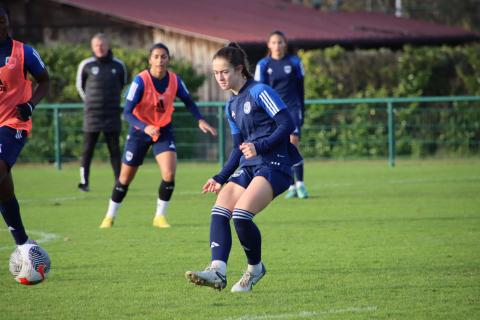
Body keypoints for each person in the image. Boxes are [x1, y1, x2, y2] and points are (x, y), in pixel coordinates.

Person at [185, 42, 302, 292]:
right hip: (250, 166)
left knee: (241, 214)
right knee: (220, 209)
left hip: (275, 165)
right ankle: (217, 270)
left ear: (240, 69)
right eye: (216, 73)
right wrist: (220, 176)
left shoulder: (260, 92)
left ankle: (254, 269)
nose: (220, 77)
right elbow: (238, 149)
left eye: (224, 71)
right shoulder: (231, 106)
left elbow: (287, 123)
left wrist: (261, 146)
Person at [99, 43, 217, 229]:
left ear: (168, 59)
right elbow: (128, 112)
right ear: (150, 60)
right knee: (124, 179)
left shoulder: (175, 80)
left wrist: (200, 119)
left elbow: (189, 101)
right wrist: (145, 127)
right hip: (139, 133)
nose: (160, 60)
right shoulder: (140, 81)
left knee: (169, 173)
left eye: (164, 56)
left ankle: (159, 216)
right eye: (156, 56)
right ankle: (109, 216)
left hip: (163, 131)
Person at [0, 8, 50, 254]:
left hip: (12, 124)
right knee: (4, 188)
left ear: (8, 22)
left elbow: (45, 80)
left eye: (2, 20)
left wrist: (30, 105)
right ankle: (23, 243)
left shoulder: (24, 52)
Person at [254, 30, 309, 199]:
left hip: (292, 108)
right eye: (274, 42)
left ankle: (300, 183)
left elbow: (301, 88)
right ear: (268, 45)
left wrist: (302, 109)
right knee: (281, 147)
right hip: (273, 111)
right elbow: (259, 91)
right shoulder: (263, 65)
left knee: (293, 142)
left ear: (285, 44)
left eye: (280, 42)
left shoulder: (294, 62)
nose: (277, 45)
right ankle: (291, 185)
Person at [76, 33, 127, 192]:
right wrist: (91, 103)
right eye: (97, 45)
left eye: (102, 44)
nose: (100, 47)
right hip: (92, 115)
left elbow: (123, 85)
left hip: (112, 114)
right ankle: (84, 183)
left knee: (115, 150)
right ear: (92, 47)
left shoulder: (119, 65)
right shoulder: (86, 65)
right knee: (87, 150)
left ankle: (119, 182)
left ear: (108, 45)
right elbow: (80, 86)